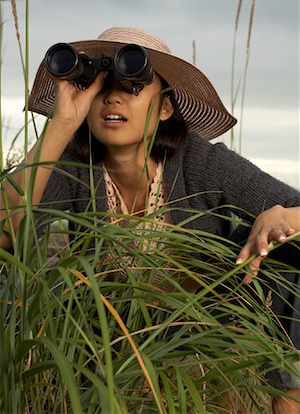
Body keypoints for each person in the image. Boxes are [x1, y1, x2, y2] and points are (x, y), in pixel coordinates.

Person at [1, 26, 300, 412]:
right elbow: (7, 234)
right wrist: (61, 123)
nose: (112, 96)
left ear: (165, 107)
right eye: (99, 84)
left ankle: (291, 400)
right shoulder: (74, 169)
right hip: (105, 334)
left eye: (133, 84)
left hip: (202, 324)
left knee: (292, 256)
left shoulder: (200, 161)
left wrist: (283, 215)